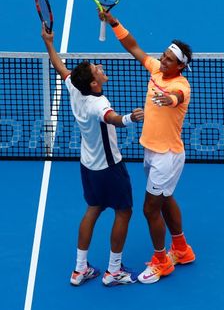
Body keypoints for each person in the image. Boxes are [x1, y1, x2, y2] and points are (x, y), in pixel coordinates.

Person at [41, 23, 144, 287]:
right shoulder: (99, 103)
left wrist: (49, 43)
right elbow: (112, 119)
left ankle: (79, 269)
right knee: (124, 212)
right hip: (109, 168)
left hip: (88, 165)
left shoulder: (75, 88)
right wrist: (130, 118)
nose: (99, 66)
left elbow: (60, 68)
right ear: (94, 83)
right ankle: (113, 271)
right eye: (96, 69)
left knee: (93, 209)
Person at [98, 11, 196, 284]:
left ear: (180, 66)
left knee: (150, 209)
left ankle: (162, 261)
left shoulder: (181, 85)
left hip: (167, 156)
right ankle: (182, 250)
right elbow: (133, 47)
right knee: (165, 200)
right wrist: (115, 23)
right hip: (152, 151)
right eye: (164, 55)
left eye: (169, 59)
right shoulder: (156, 69)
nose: (163, 60)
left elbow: (177, 97)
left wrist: (169, 99)